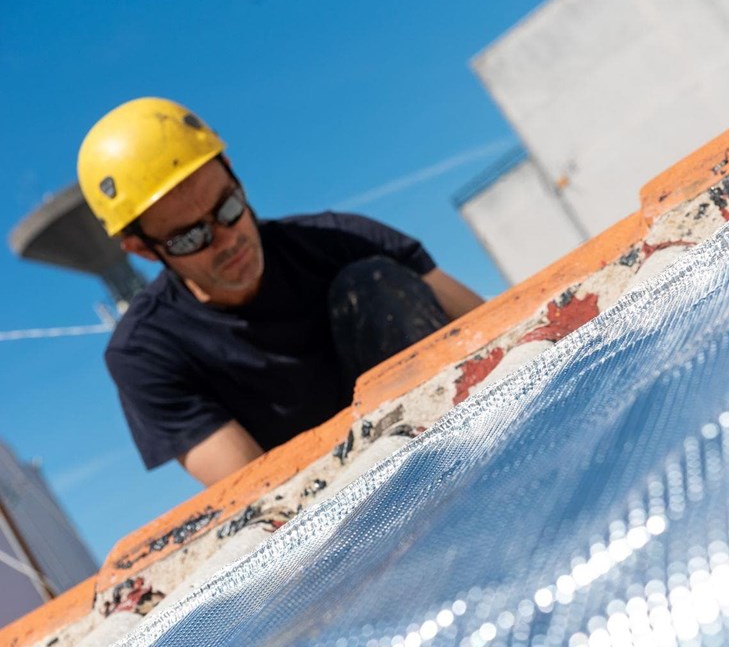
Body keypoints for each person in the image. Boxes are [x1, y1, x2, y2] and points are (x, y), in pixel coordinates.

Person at [77, 97, 483, 486]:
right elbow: (260, 492)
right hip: (332, 507)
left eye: (229, 208)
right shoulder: (145, 354)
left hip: (457, 445)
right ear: (143, 249)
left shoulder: (342, 241)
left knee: (372, 282)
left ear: (234, 173)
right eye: (190, 238)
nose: (227, 239)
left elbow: (492, 331)